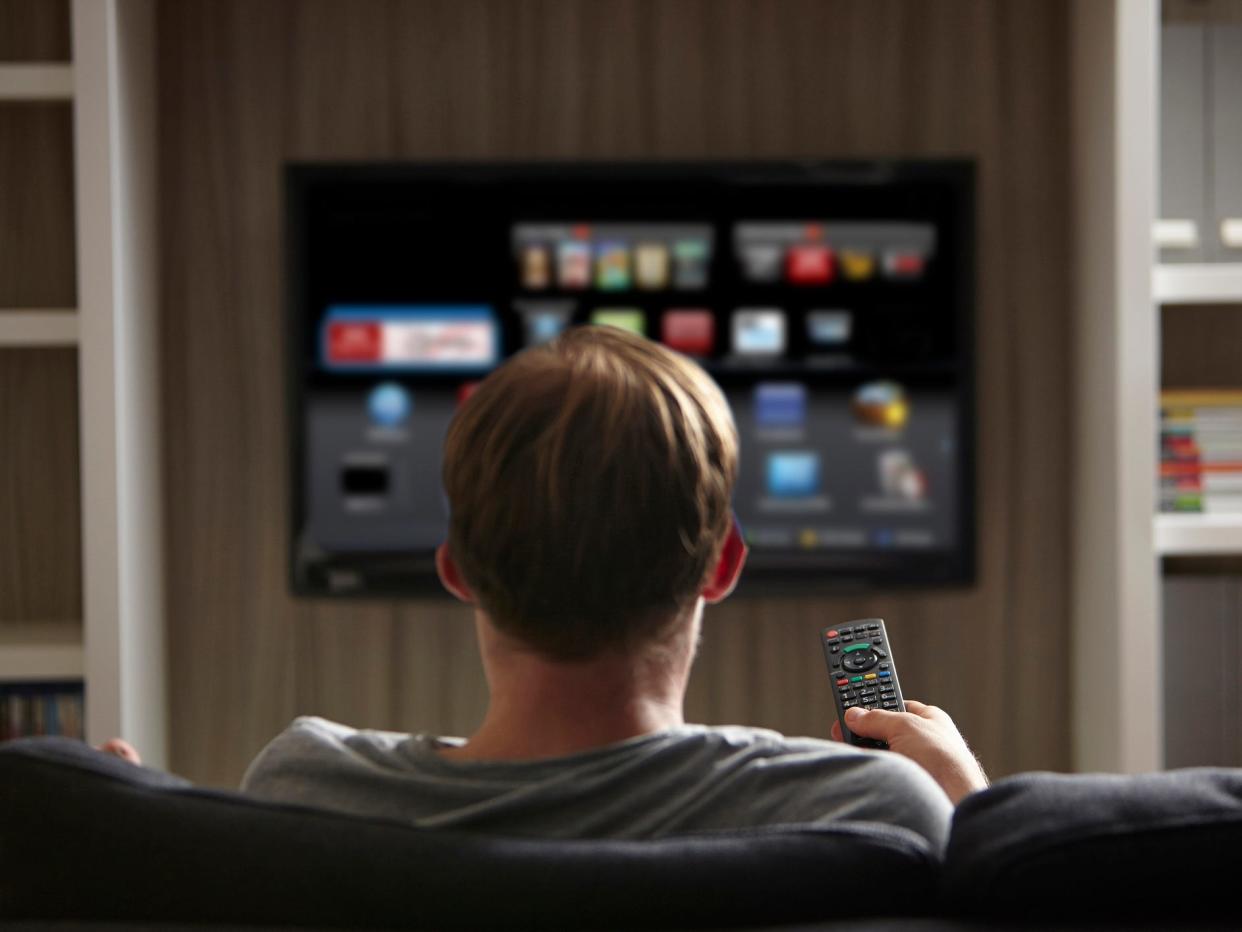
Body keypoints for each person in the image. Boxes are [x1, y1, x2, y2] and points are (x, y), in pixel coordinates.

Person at [108, 325, 987, 849]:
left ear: (454, 568)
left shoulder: (303, 791)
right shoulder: (869, 809)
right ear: (723, 564)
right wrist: (975, 811)